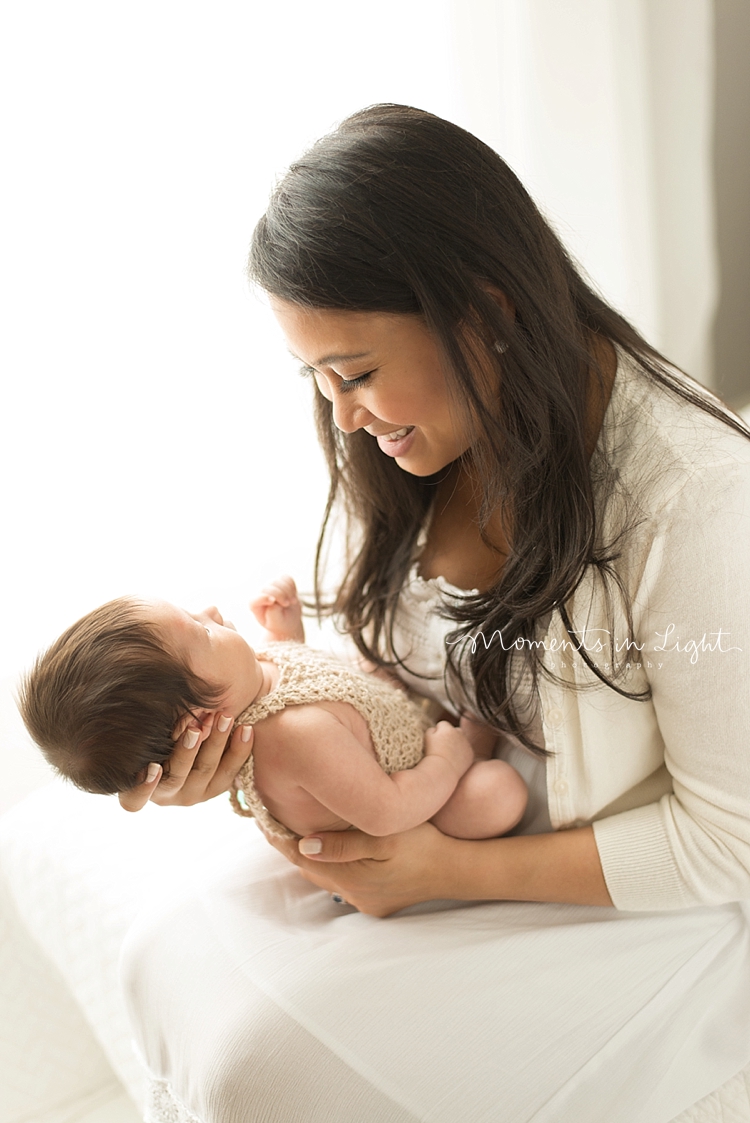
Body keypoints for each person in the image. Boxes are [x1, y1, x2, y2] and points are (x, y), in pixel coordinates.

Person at [118, 105, 750, 1122]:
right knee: (160, 952)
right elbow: (397, 678)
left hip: (626, 878)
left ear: (484, 312)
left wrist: (441, 867)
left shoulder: (698, 502)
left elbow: (732, 843)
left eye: (356, 373)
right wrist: (246, 752)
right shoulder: (426, 440)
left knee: (262, 1071)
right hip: (444, 806)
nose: (343, 418)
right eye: (317, 379)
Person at [18, 577, 527, 841]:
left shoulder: (251, 684)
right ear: (198, 723)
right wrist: (452, 759)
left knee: (377, 671)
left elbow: (298, 679)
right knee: (497, 794)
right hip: (416, 813)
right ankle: (473, 750)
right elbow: (387, 811)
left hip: (399, 734)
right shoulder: (293, 735)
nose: (213, 612)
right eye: (202, 630)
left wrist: (288, 636)